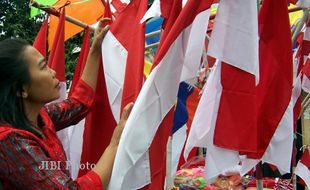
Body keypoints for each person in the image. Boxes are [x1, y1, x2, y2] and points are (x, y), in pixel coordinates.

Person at [0, 19, 133, 189]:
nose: (53, 72)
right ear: (21, 89)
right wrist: (116, 143)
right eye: (43, 67)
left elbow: (79, 104)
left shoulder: (40, 116)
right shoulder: (11, 142)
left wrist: (95, 49)